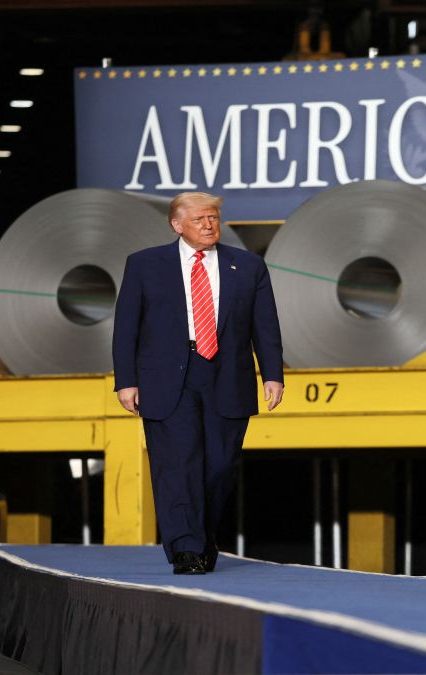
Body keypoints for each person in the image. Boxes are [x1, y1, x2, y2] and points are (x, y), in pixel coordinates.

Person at [112, 192, 285, 575]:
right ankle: (186, 548)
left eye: (213, 218)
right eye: (200, 219)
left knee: (220, 466)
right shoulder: (144, 265)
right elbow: (126, 328)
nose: (209, 225)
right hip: (166, 377)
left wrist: (272, 374)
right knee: (177, 465)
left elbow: (265, 325)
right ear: (177, 225)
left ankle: (202, 536)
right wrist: (126, 381)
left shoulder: (248, 266)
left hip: (227, 375)